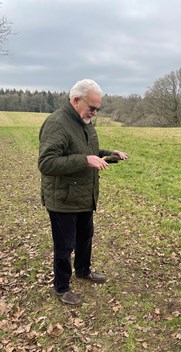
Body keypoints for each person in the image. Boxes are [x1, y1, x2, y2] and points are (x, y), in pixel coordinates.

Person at [38, 79, 128, 306]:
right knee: (65, 245)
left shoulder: (84, 122)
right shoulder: (57, 124)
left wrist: (109, 154)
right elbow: (47, 163)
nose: (95, 113)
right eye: (92, 108)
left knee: (85, 237)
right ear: (76, 100)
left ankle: (83, 270)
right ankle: (61, 287)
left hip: (84, 196)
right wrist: (85, 160)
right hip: (63, 198)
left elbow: (90, 151)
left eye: (98, 109)